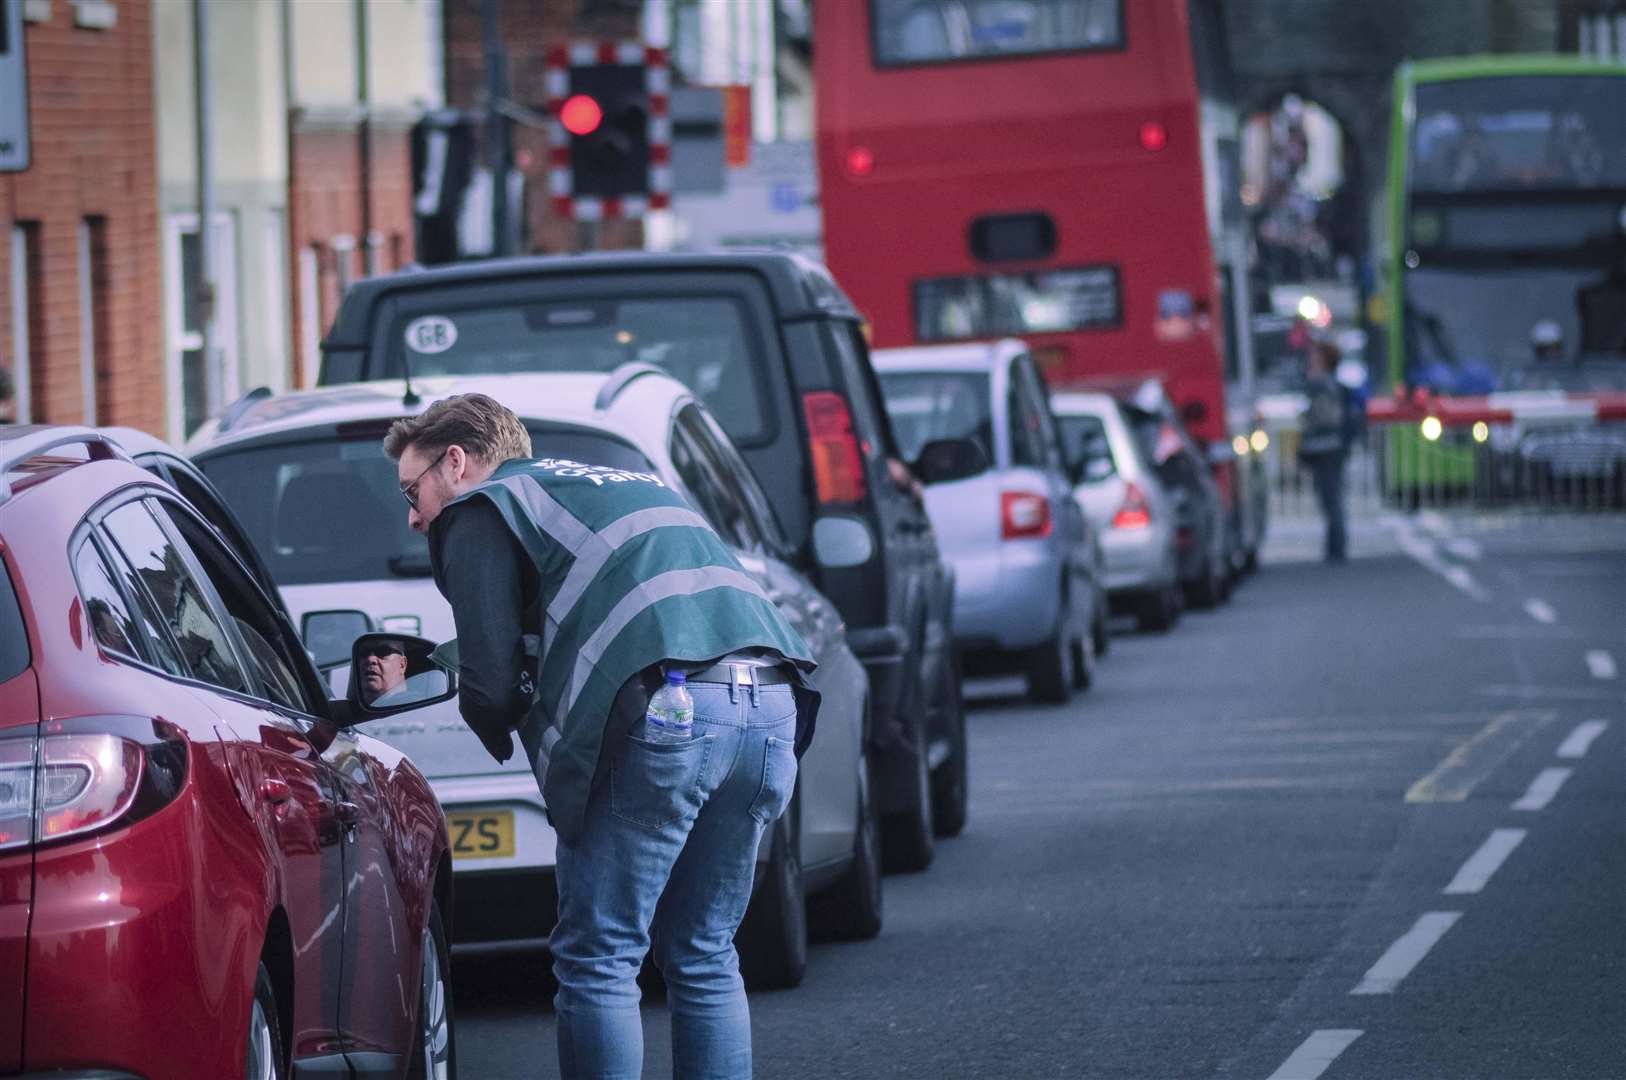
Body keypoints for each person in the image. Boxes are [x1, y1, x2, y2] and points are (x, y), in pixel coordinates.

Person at [382, 393, 818, 1080]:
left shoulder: (480, 507)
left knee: (601, 955)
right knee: (704, 950)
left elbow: (494, 685)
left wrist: (484, 707)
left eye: (413, 490)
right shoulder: (611, 486)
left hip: (671, 713)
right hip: (771, 700)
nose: (413, 515)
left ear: (457, 462)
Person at [1298, 338, 1350, 562]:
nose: (1311, 359)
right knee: (1331, 497)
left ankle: (1336, 548)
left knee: (1330, 498)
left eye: (1315, 356)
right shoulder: (1330, 383)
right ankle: (1335, 545)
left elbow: (1324, 417)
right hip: (1331, 446)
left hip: (1325, 446)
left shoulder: (1321, 385)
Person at [359, 638, 409, 704]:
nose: (370, 659)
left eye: (383, 651)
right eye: (363, 652)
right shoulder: (352, 709)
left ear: (402, 665)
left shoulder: (415, 705)